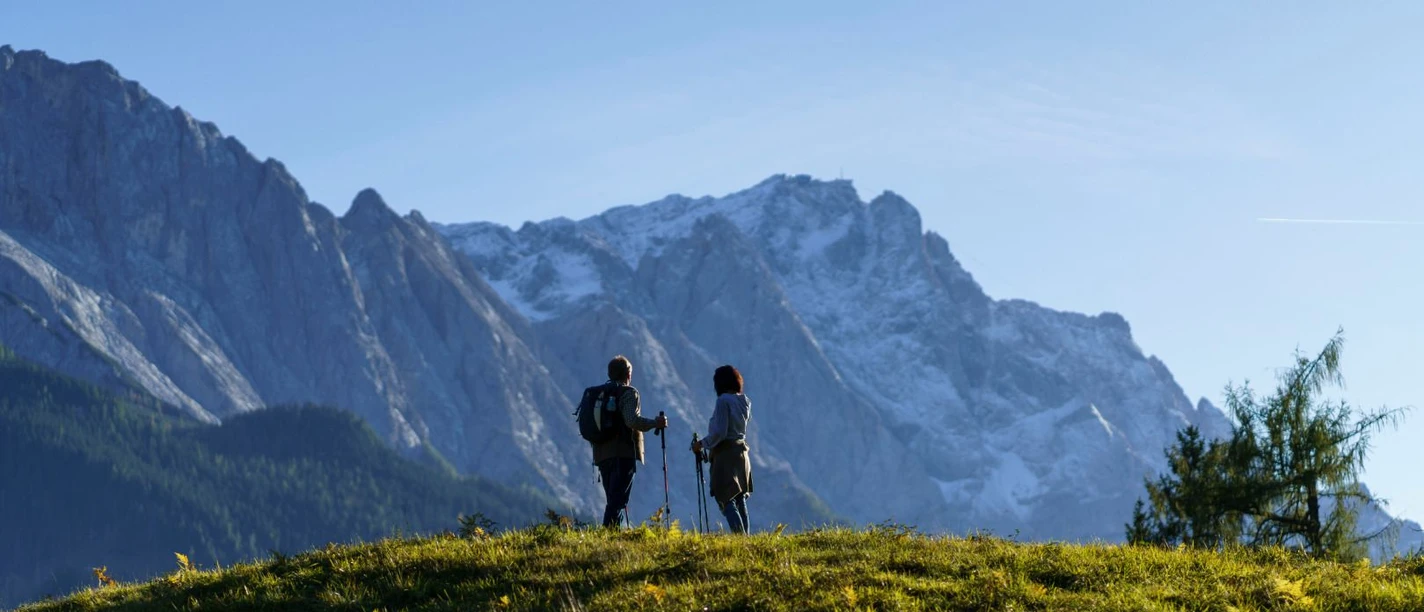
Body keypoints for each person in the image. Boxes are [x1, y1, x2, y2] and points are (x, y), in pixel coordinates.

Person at [591, 355, 668, 528]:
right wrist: (655, 423)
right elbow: (632, 420)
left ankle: (614, 536)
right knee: (617, 501)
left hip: (601, 454)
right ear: (627, 374)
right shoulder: (628, 393)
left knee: (613, 498)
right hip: (622, 453)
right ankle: (608, 538)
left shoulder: (600, 394)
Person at [692, 364, 753, 533]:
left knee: (725, 498)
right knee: (740, 497)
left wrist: (701, 444)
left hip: (726, 454)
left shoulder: (723, 401)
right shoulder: (745, 401)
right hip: (742, 453)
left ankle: (739, 537)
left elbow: (720, 432)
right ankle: (745, 537)